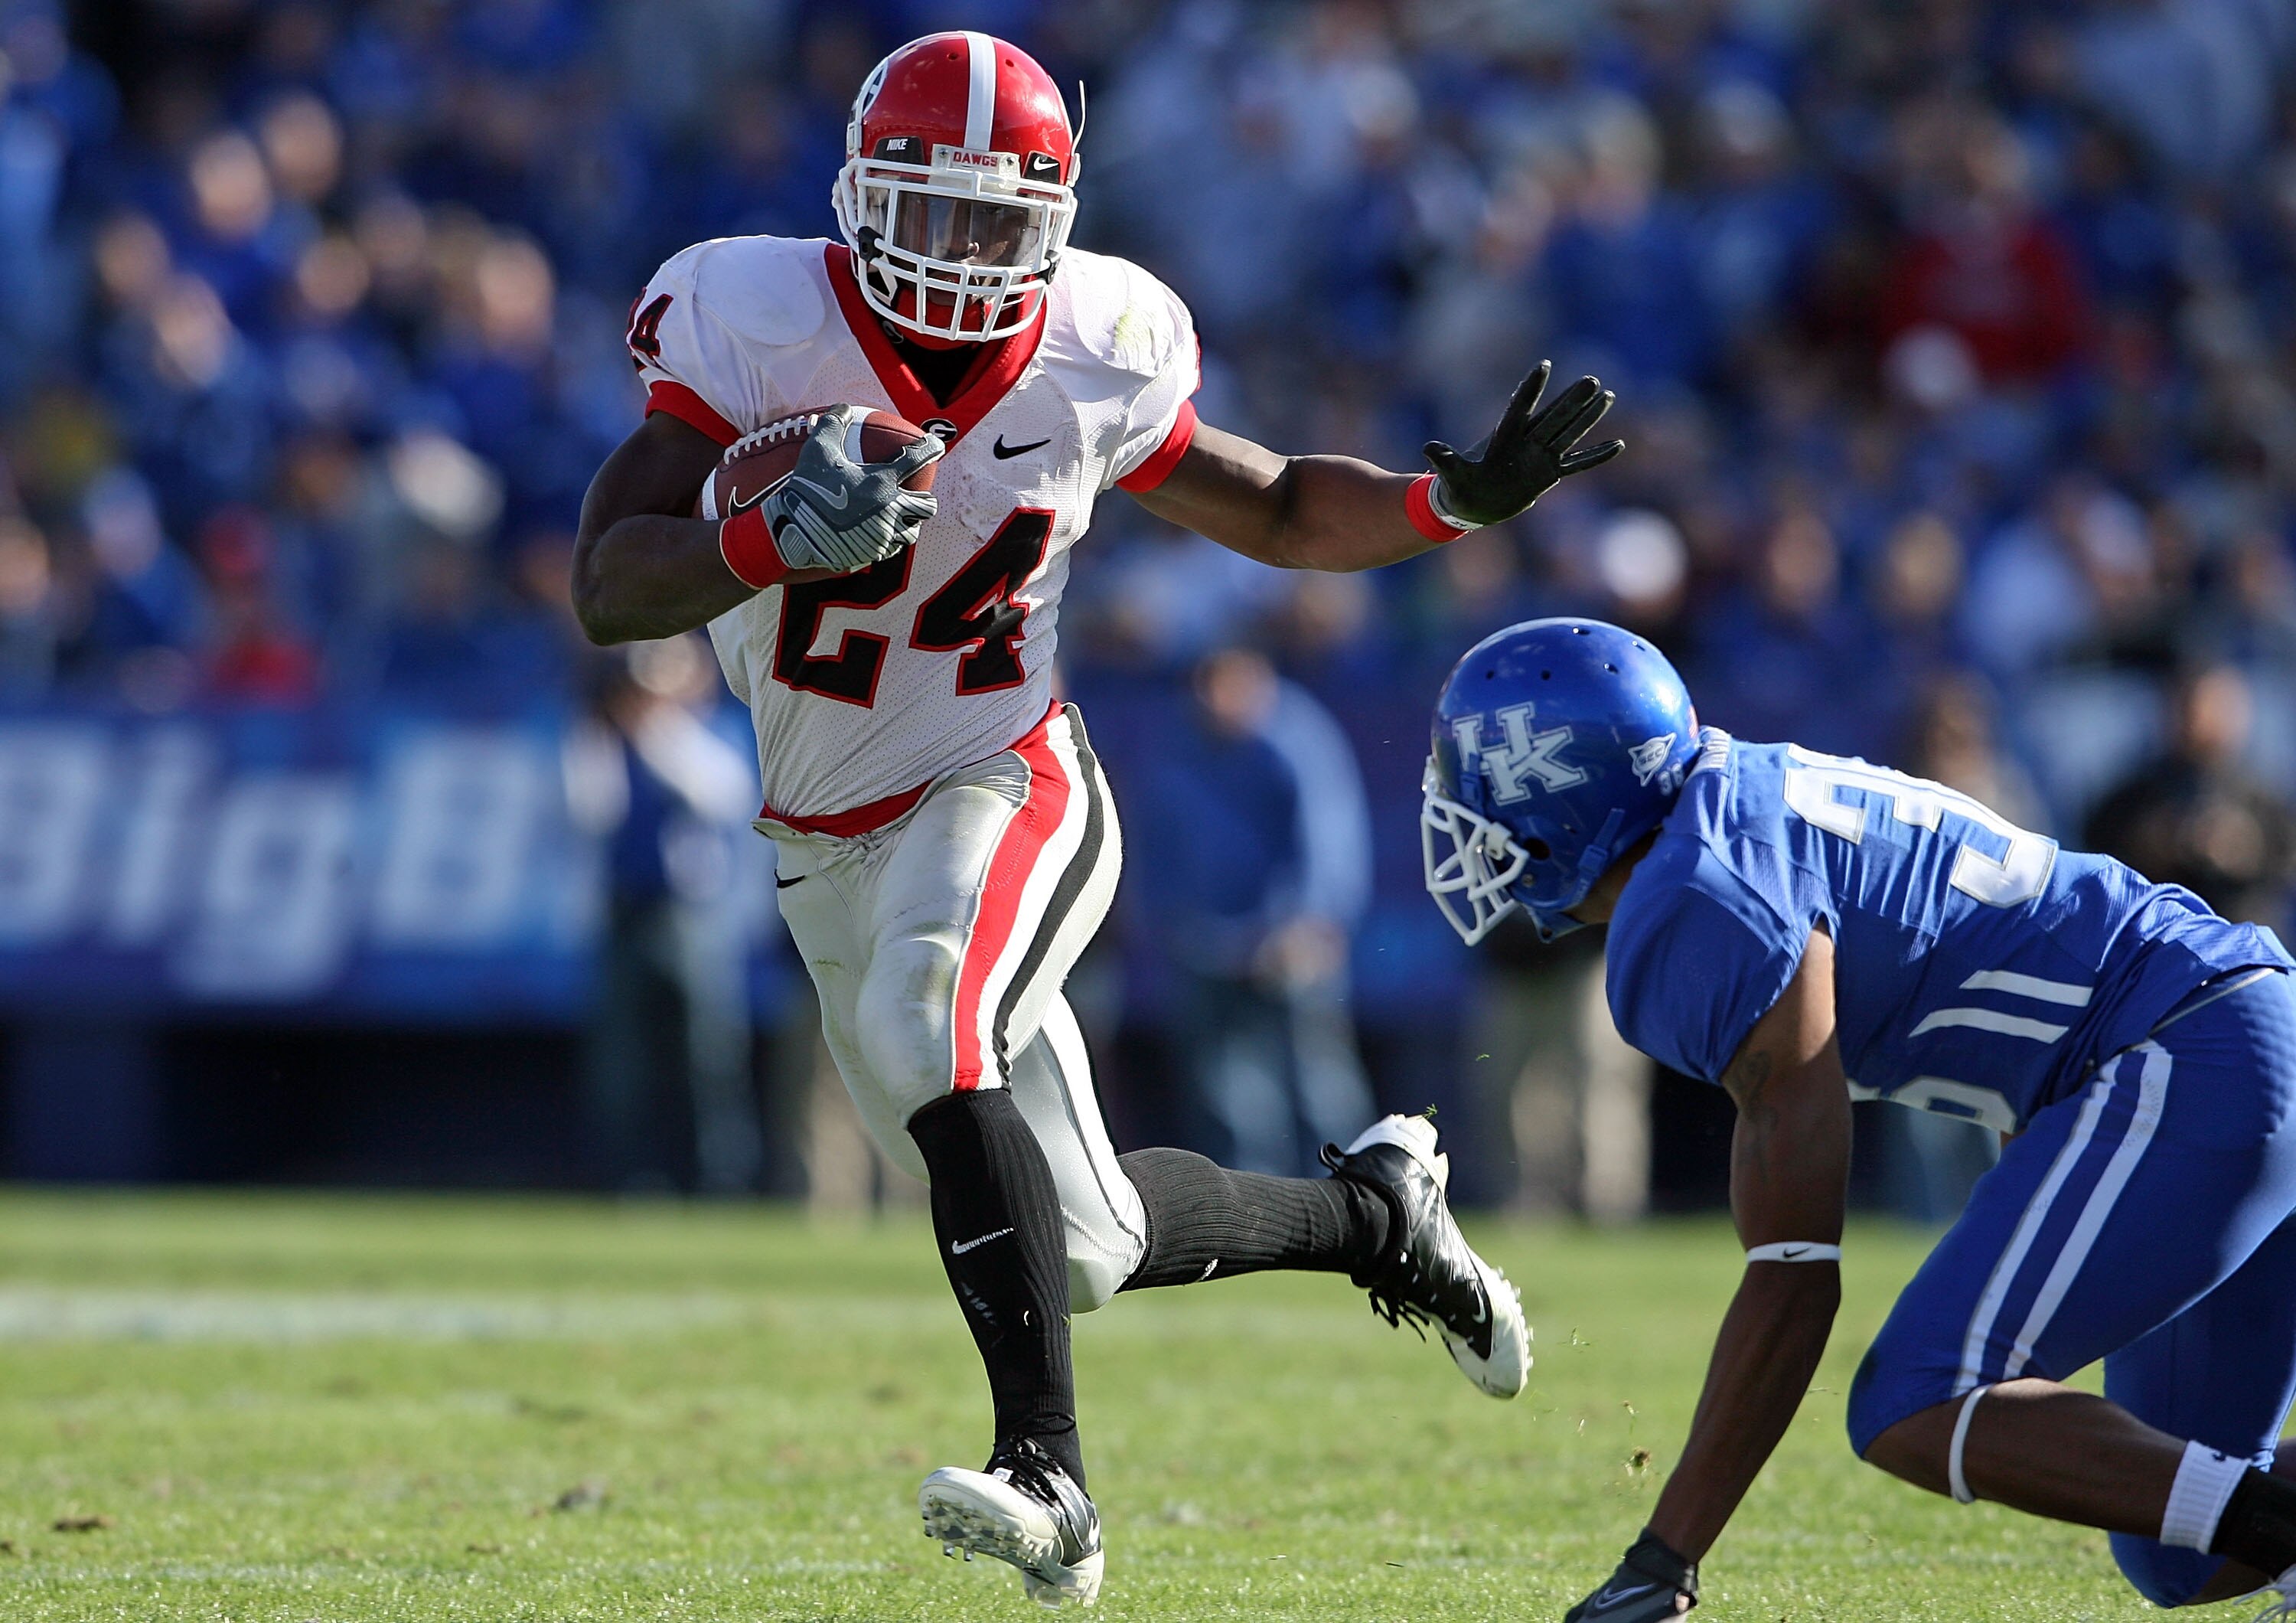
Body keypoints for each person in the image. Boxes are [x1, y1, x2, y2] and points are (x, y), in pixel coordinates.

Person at [571, 32, 1623, 1607]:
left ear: (1056, 226)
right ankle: (1375, 1215)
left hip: (1007, 772)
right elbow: (606, 584)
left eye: (1001, 222)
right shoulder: (751, 319)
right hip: (818, 833)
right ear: (859, 201)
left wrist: (1442, 504)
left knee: (942, 1012)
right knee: (1083, 1246)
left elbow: (1264, 500)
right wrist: (758, 530)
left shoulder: (1099, 340)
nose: (964, 252)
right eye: (931, 212)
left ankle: (1048, 1476)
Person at [1419, 618, 2296, 1621]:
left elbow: (1795, 1276)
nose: (1457, 816)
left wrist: (1663, 1558)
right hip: (2225, 1029)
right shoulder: (1730, 811)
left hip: (2190, 1049)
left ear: (1563, 800)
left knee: (1917, 1397)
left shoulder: (1701, 903)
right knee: (2179, 1554)